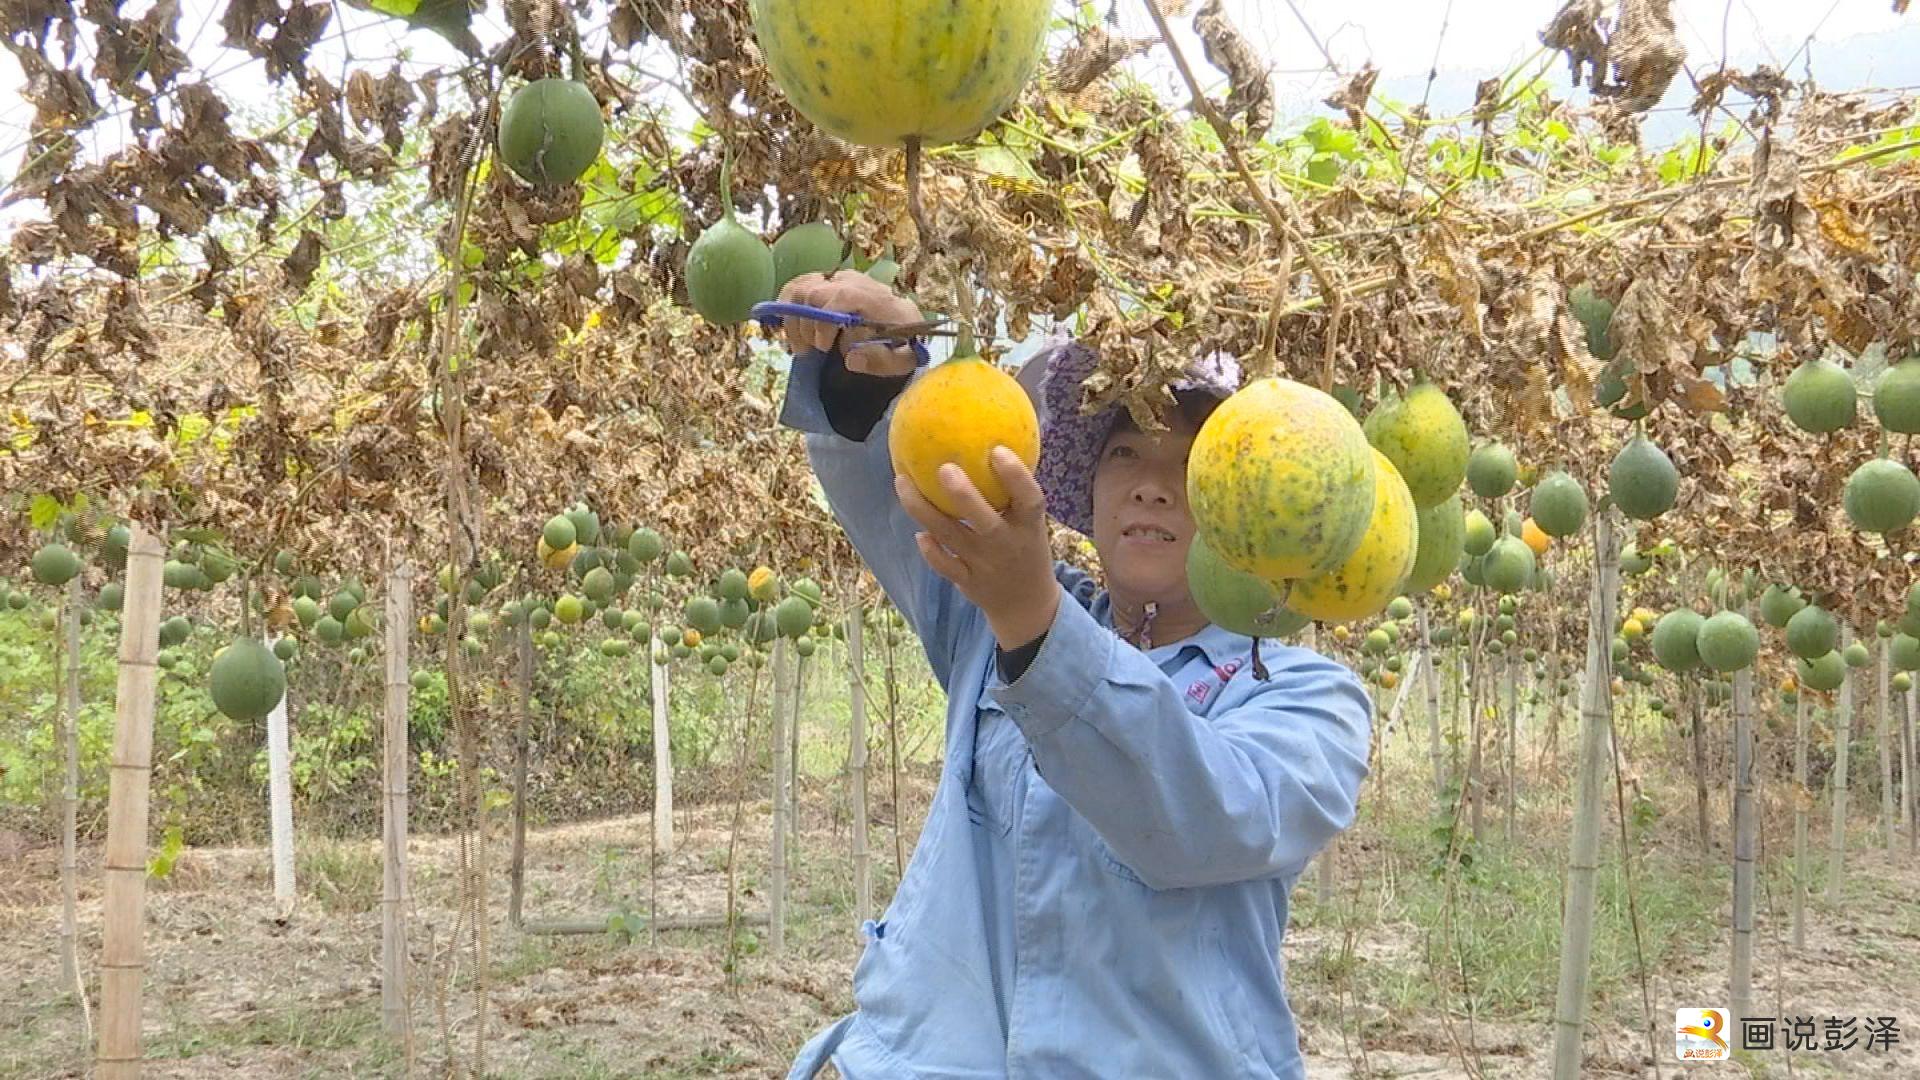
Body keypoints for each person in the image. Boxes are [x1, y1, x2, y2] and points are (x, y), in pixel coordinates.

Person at [773, 270, 1372, 1079]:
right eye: (1126, 450)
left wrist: (1036, 622)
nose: (1152, 483)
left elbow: (1202, 821)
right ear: (1086, 492)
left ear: (1239, 502)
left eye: (1189, 456)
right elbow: (904, 496)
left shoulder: (1306, 699)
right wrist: (872, 378)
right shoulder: (990, 614)